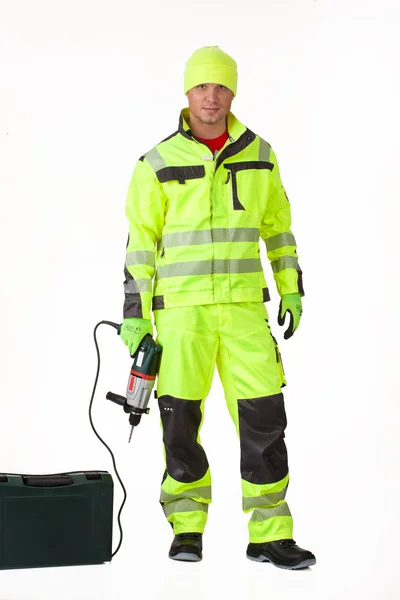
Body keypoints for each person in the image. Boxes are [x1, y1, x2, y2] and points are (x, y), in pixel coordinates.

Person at [119, 46, 316, 569]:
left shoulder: (260, 154)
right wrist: (134, 315)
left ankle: (270, 534)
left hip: (246, 313)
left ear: (233, 92)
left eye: (221, 87)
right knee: (179, 422)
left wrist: (291, 287)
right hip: (182, 316)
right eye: (202, 86)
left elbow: (278, 228)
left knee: (264, 421)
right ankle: (187, 527)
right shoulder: (156, 163)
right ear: (186, 93)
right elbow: (140, 244)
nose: (212, 96)